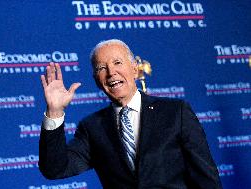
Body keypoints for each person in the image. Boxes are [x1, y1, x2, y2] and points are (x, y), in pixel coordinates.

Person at [39, 39, 222, 189]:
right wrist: (55, 111)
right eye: (101, 68)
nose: (111, 72)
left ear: (135, 69)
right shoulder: (92, 127)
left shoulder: (176, 112)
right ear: (96, 80)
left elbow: (205, 177)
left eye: (117, 63)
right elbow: (55, 169)